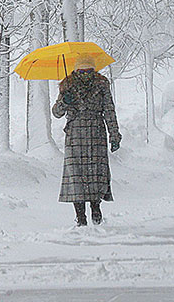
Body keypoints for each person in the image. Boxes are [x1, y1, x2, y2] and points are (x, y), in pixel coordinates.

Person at [51, 56, 122, 226]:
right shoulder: (67, 86)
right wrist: (64, 101)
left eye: (88, 71)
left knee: (96, 174)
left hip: (96, 134)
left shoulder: (102, 85)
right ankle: (80, 216)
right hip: (75, 136)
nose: (85, 74)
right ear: (76, 71)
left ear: (93, 70)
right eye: (82, 71)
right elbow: (56, 113)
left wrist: (114, 134)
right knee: (76, 175)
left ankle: (96, 208)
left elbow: (109, 111)